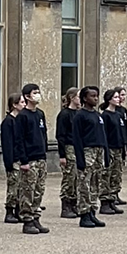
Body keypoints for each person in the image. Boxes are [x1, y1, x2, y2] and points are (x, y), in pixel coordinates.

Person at [11, 84, 50, 234]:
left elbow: (44, 134)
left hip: (41, 157)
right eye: (35, 93)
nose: (37, 95)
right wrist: (24, 160)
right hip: (30, 159)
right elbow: (19, 139)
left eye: (38, 92)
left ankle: (35, 217)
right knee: (28, 189)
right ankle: (27, 219)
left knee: (39, 190)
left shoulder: (39, 114)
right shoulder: (23, 116)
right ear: (27, 96)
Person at [71, 86, 107, 228]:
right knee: (84, 184)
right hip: (87, 152)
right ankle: (84, 213)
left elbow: (103, 136)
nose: (96, 98)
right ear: (85, 98)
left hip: (98, 152)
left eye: (97, 96)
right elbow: (77, 138)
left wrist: (106, 154)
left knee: (95, 183)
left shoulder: (98, 115)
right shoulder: (80, 115)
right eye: (92, 96)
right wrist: (80, 158)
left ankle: (92, 211)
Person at [55, 90, 78, 219]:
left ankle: (74, 202)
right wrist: (62, 155)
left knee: (77, 177)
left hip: (77, 147)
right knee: (69, 176)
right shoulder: (64, 114)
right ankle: (66, 204)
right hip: (69, 147)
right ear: (72, 98)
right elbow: (61, 136)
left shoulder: (78, 114)